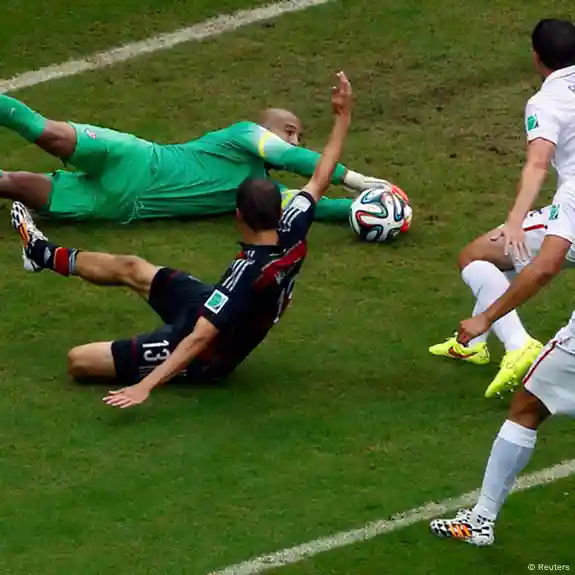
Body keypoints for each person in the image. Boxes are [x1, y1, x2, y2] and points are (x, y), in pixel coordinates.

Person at [10, 70, 353, 409]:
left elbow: (200, 337)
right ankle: (42, 254)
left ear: (238, 216)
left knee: (78, 361)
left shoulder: (245, 274)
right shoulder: (293, 225)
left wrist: (144, 387)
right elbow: (320, 178)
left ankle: (147, 364)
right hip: (216, 310)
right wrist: (343, 116)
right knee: (132, 267)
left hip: (209, 353)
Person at [429, 18, 575, 545]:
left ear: (538, 58)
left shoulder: (548, 105)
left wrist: (484, 319)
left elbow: (545, 267)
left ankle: (481, 520)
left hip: (566, 223)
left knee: (529, 404)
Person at [0, 83, 384, 224]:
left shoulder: (260, 193)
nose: (296, 143)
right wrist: (351, 179)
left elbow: (307, 203)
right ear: (280, 130)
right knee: (46, 133)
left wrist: (364, 211)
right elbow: (295, 160)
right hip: (134, 159)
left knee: (13, 185)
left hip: (118, 205)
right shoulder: (245, 135)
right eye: (293, 134)